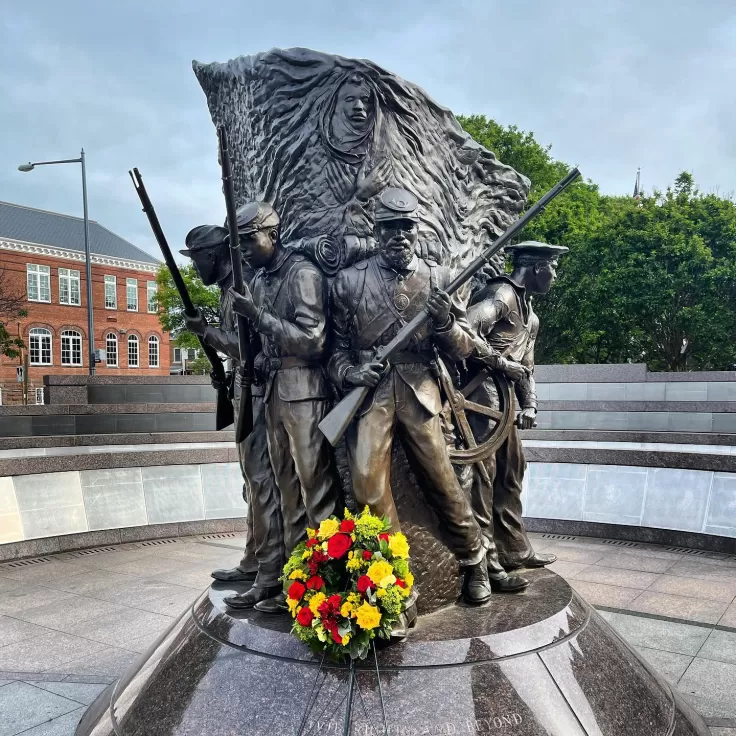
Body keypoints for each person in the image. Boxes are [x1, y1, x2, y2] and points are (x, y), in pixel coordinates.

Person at [327, 187, 492, 605]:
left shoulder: (438, 278)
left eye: (405, 227)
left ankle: (475, 560)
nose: (398, 235)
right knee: (366, 482)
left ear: (416, 230)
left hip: (421, 390)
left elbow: (463, 347)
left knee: (442, 479)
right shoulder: (349, 281)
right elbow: (334, 353)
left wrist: (443, 325)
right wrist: (352, 371)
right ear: (377, 232)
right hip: (371, 393)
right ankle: (395, 577)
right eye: (389, 228)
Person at [229, 201, 342, 612]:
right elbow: (266, 346)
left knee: (316, 490)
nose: (241, 249)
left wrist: (258, 317)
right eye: (236, 242)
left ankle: (327, 582)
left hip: (305, 390)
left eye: (247, 240)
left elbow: (313, 341)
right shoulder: (258, 281)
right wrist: (256, 361)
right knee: (286, 491)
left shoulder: (303, 274)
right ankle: (290, 582)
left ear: (271, 235)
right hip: (275, 390)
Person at [180, 225, 285, 609]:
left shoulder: (246, 287)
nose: (196, 270)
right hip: (242, 391)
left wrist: (206, 333)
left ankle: (270, 572)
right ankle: (254, 558)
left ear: (213, 256)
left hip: (258, 395)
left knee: (262, 483)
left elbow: (248, 347)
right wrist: (222, 369)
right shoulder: (228, 292)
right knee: (252, 483)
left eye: (197, 261)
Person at [466, 241, 568, 572]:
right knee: (485, 473)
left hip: (506, 399)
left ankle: (514, 549)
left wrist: (531, 405)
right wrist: (499, 363)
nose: (555, 276)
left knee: (512, 471)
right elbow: (466, 330)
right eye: (552, 268)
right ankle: (487, 557)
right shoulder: (502, 296)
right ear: (537, 268)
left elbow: (527, 368)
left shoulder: (532, 318)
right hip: (480, 394)